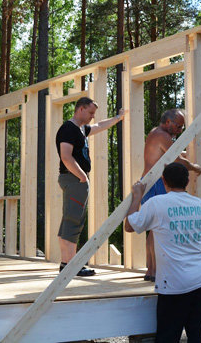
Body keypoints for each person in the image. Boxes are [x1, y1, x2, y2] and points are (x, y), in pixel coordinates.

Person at [124, 163, 201, 342]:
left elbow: (129, 226)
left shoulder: (157, 203)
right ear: (187, 181)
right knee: (197, 336)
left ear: (163, 180)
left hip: (175, 283)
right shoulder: (198, 203)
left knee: (167, 337)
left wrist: (137, 197)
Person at [56, 97, 125, 276]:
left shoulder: (80, 129)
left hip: (74, 180)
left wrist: (118, 118)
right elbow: (65, 156)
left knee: (69, 221)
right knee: (74, 222)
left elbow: (99, 126)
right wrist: (82, 177)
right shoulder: (68, 129)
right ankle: (72, 266)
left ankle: (66, 264)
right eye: (91, 113)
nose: (93, 117)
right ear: (80, 109)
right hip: (74, 179)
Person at [141, 109, 201, 281]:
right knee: (158, 228)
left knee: (154, 229)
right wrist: (194, 167)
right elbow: (176, 159)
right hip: (155, 183)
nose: (179, 130)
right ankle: (153, 271)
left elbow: (168, 154)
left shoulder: (156, 133)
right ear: (168, 122)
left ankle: (151, 270)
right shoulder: (163, 135)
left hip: (149, 182)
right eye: (178, 126)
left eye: (182, 127)